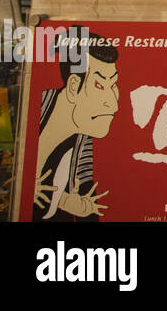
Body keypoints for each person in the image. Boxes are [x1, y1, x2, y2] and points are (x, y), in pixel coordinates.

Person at [33, 38, 119, 222]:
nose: (113, 103)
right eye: (99, 85)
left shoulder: (82, 140)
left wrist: (71, 205)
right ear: (73, 86)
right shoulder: (34, 108)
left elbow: (81, 193)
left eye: (113, 85)